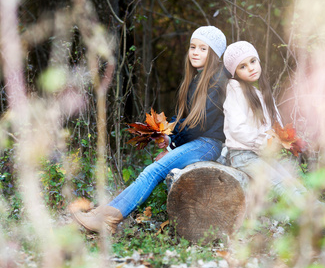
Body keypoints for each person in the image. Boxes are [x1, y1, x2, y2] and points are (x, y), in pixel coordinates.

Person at [70, 26, 229, 234]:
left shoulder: (216, 82)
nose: (195, 52)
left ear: (215, 55)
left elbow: (199, 124)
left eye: (203, 49)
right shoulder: (196, 80)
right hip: (198, 142)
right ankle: (103, 213)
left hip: (208, 144)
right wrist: (168, 134)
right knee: (151, 171)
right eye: (193, 47)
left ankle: (108, 219)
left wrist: (172, 146)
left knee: (153, 171)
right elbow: (183, 118)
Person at [222, 41, 307, 212]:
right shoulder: (235, 90)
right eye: (243, 67)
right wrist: (264, 142)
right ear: (235, 73)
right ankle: (320, 223)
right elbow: (237, 128)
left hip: (261, 154)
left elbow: (273, 125)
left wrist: (286, 140)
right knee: (285, 188)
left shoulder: (260, 91)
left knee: (293, 183)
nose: (251, 68)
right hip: (244, 155)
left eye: (253, 61)